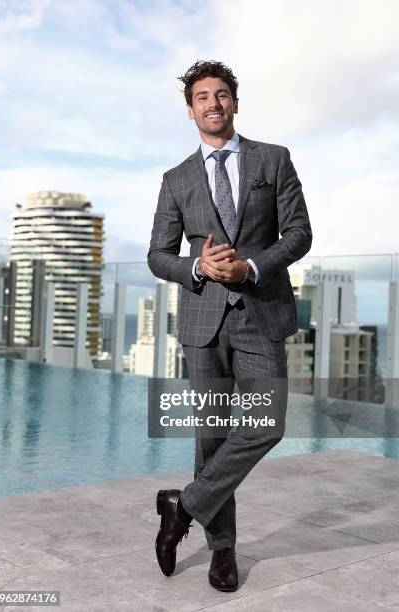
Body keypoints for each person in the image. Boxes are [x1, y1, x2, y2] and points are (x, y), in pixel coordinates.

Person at [147, 59, 312, 591]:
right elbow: (157, 255)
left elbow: (299, 233)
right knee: (211, 437)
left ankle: (183, 506)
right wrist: (197, 267)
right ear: (190, 109)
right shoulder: (176, 180)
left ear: (235, 103)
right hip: (202, 320)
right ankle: (223, 552)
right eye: (202, 97)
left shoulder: (274, 159)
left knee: (268, 423)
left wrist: (253, 266)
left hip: (260, 312)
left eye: (222, 95)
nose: (213, 104)